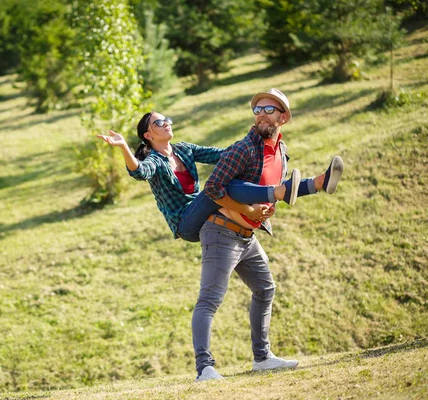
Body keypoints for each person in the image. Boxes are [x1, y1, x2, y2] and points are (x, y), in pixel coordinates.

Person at [192, 88, 344, 381]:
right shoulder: (241, 149)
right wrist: (248, 211)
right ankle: (204, 368)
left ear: (283, 118)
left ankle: (262, 358)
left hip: (247, 236)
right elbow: (212, 189)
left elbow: (276, 190)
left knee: (265, 289)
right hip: (221, 231)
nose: (261, 113)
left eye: (269, 109)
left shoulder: (281, 153)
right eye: (257, 109)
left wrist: (310, 187)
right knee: (209, 299)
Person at [97, 111, 303, 243]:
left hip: (203, 211)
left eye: (167, 119)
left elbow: (222, 155)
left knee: (228, 176)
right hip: (185, 223)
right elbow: (139, 172)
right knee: (215, 187)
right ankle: (279, 192)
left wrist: (254, 140)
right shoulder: (156, 161)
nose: (166, 123)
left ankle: (307, 186)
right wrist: (123, 146)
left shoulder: (185, 149)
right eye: (159, 122)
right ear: (148, 136)